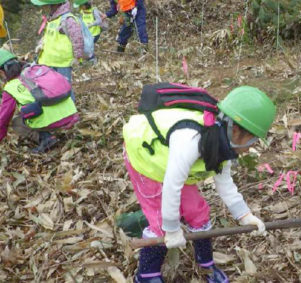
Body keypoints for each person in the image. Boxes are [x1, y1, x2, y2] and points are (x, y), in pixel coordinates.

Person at [122, 86, 276, 283]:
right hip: (146, 159)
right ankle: (147, 274)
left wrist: (245, 215)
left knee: (198, 212)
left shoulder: (223, 143)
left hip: (173, 163)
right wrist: (171, 229)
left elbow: (224, 182)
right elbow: (172, 184)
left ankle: (205, 265)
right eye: (252, 141)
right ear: (236, 130)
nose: (250, 149)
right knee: (160, 221)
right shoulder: (191, 139)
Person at [0, 49, 79, 153]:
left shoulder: (11, 87)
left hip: (54, 122)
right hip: (72, 115)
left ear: (2, 72)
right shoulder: (38, 69)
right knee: (31, 106)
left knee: (16, 122)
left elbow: (3, 119)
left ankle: (46, 138)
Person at [31, 0, 84, 102]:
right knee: (50, 88)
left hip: (61, 63)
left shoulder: (68, 20)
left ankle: (71, 111)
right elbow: (48, 36)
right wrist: (40, 44)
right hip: (47, 61)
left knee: (65, 89)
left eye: (46, 5)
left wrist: (78, 57)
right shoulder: (51, 19)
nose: (44, 8)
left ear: (54, 4)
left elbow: (77, 39)